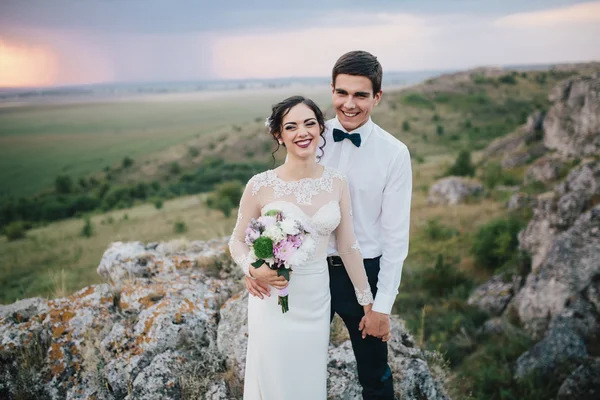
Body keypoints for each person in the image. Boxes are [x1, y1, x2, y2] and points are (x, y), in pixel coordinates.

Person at [244, 50, 412, 399]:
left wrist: (381, 306)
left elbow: (396, 239)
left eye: (361, 95)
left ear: (377, 97)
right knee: (295, 366)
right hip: (303, 274)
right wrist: (255, 265)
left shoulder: (394, 154)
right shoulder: (309, 135)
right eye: (342, 93)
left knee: (375, 374)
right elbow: (273, 200)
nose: (349, 104)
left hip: (362, 272)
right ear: (332, 90)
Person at [229, 95, 375, 399]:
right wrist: (254, 269)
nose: (302, 133)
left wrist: (368, 301)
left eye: (310, 123)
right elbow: (237, 240)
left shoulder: (337, 182)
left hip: (315, 296)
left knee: (307, 379)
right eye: (291, 127)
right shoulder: (259, 185)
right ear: (279, 135)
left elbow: (348, 246)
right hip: (272, 299)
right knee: (274, 376)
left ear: (320, 128)